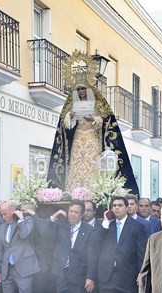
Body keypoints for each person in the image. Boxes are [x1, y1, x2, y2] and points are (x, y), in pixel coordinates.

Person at [47, 51, 139, 196]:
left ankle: (94, 193)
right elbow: (66, 126)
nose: (81, 91)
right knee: (76, 166)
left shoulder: (97, 103)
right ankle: (74, 193)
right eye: (78, 89)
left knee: (92, 165)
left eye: (83, 88)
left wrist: (94, 120)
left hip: (91, 138)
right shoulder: (71, 104)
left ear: (88, 89)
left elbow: (104, 122)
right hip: (78, 138)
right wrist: (70, 116)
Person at [97, 196, 147, 293]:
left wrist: (141, 272)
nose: (116, 208)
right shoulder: (106, 226)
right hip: (108, 276)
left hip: (127, 275)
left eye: (120, 205)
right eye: (114, 206)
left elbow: (142, 251)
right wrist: (105, 222)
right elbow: (95, 243)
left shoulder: (137, 226)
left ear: (127, 208)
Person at [83, 200, 107, 293]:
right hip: (80, 269)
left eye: (88, 210)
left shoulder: (101, 226)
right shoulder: (76, 226)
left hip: (97, 269)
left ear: (94, 211)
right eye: (84, 210)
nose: (86, 213)